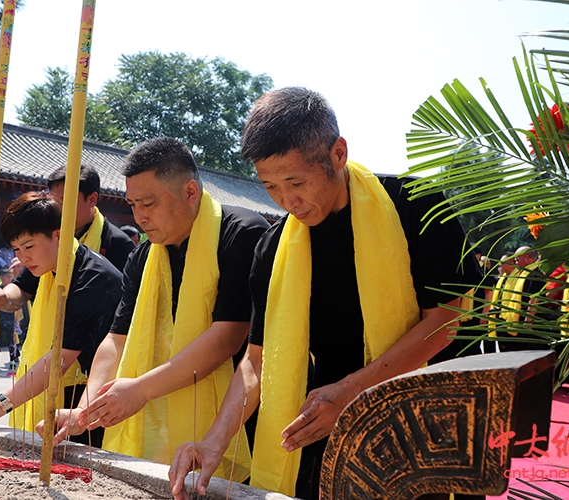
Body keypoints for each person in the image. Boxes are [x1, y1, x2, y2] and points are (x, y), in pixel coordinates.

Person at [167, 88, 482, 500]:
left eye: (296, 182)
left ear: (338, 154)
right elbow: (257, 360)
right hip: (331, 424)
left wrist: (353, 391)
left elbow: (446, 320)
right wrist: (214, 439)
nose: (288, 201)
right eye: (271, 186)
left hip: (427, 421)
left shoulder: (415, 207)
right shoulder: (274, 248)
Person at [42, 137, 269, 480]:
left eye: (149, 203)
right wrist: (86, 410)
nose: (140, 216)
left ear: (190, 193)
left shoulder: (242, 234)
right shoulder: (144, 255)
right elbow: (117, 340)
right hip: (164, 416)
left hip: (234, 418)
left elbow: (227, 338)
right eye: (133, 204)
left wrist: (141, 389)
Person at [0, 191, 122, 449]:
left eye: (28, 246)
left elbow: (59, 360)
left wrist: (0, 404)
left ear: (57, 234)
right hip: (75, 380)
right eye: (16, 249)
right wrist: (3, 297)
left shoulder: (93, 279)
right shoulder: (48, 260)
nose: (23, 257)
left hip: (100, 388)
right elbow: (20, 289)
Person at [46, 163, 136, 271]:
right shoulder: (49, 237)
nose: (58, 209)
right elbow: (24, 284)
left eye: (66, 201)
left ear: (92, 199)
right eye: (54, 202)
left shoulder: (119, 245)